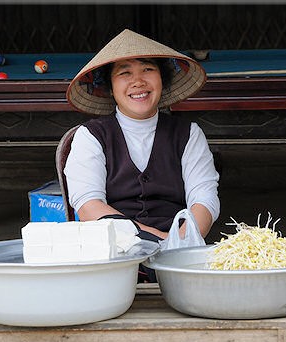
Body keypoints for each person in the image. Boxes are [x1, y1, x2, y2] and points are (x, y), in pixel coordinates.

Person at [60, 29, 220, 280]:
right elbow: (88, 206)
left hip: (180, 259)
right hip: (113, 257)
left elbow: (205, 198)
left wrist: (181, 245)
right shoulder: (90, 137)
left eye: (147, 69)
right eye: (125, 73)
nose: (138, 81)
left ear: (162, 79)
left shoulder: (188, 134)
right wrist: (158, 241)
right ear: (111, 88)